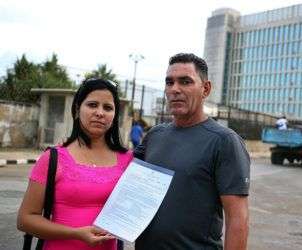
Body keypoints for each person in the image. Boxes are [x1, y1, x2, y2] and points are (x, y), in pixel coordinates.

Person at [134, 53, 250, 249]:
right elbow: (118, 169)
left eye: (185, 82)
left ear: (205, 89)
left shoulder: (224, 141)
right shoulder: (154, 135)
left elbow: (238, 218)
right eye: (169, 83)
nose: (175, 89)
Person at [17, 78, 133, 250]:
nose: (100, 113)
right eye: (92, 105)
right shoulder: (53, 158)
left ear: (115, 115)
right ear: (78, 110)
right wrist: (76, 233)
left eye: (108, 107)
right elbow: (25, 219)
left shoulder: (129, 161)